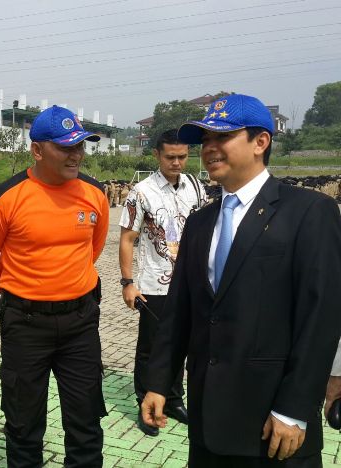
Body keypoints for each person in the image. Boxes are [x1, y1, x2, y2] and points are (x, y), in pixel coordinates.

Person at [141, 94, 341, 467]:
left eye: (223, 137)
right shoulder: (201, 221)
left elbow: (322, 318)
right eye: (204, 141)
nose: (209, 148)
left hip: (272, 425)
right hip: (207, 423)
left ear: (260, 142)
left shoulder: (309, 212)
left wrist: (295, 408)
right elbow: (180, 313)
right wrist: (158, 383)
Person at [0, 105, 110, 467]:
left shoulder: (95, 194)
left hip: (81, 324)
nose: (76, 154)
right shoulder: (4, 199)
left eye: (80, 145)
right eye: (66, 147)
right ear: (37, 150)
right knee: (23, 425)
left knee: (85, 424)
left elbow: (91, 251)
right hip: (25, 325)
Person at [118, 129, 206, 436]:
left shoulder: (195, 186)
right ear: (157, 155)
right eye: (171, 157)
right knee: (151, 349)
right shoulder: (141, 192)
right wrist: (128, 281)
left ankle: (172, 398)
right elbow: (128, 239)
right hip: (154, 285)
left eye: (183, 156)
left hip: (189, 284)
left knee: (181, 345)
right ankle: (145, 402)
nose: (177, 162)